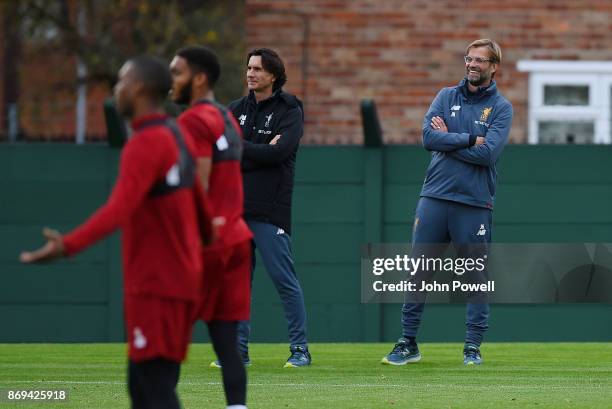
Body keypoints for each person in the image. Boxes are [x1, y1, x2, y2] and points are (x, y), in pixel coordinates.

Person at [20, 55, 214, 409]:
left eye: (121, 82)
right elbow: (202, 208)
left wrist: (67, 246)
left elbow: (118, 210)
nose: (116, 90)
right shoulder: (175, 134)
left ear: (138, 88)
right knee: (147, 385)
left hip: (156, 286)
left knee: (152, 390)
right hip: (180, 283)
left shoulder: (144, 143)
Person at [381, 39, 513, 366]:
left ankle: (472, 348)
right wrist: (468, 137)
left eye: (480, 61)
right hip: (434, 197)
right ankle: (407, 342)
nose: (472, 65)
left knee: (474, 275)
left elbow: (488, 154)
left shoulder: (501, 107)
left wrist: (448, 140)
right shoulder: (445, 96)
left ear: (494, 66)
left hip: (474, 202)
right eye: (469, 59)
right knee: (419, 271)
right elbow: (429, 138)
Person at [169, 45, 251, 409]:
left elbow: (197, 187)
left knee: (167, 343)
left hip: (205, 244)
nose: (171, 81)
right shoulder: (228, 118)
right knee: (226, 343)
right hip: (235, 240)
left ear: (199, 78)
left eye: (177, 72)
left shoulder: (191, 120)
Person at [228, 48, 311, 367]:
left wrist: (242, 150)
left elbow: (279, 154)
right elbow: (225, 153)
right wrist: (257, 150)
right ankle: (238, 351)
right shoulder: (234, 110)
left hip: (270, 211)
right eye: (248, 68)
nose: (251, 74)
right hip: (237, 210)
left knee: (284, 280)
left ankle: (299, 349)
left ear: (273, 75)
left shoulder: (290, 109)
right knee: (236, 284)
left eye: (258, 69)